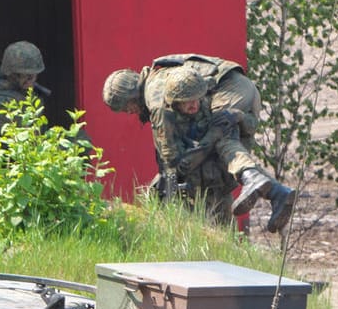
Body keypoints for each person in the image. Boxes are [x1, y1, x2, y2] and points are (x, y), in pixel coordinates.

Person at [101, 55, 294, 232]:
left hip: (231, 89)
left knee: (221, 132)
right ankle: (277, 192)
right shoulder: (157, 75)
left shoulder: (157, 101)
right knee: (216, 142)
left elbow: (170, 159)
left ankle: (255, 180)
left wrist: (168, 186)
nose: (131, 113)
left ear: (131, 99)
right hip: (237, 86)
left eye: (128, 108)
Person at [0, 41, 48, 132]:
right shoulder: (0, 100)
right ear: (12, 75)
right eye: (26, 75)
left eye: (33, 75)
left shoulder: (25, 91)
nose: (31, 80)